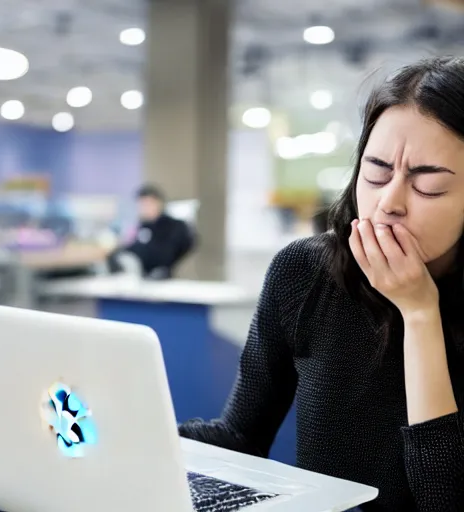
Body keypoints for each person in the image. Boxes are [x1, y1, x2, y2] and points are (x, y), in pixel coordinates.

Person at [179, 56, 464, 511]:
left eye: (427, 186)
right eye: (376, 172)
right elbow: (239, 435)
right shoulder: (305, 272)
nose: (388, 202)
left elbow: (445, 500)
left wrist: (419, 313)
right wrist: (133, 434)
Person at [108, 184, 195, 278]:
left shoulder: (174, 226)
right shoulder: (142, 226)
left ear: (158, 203)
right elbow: (133, 247)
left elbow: (169, 252)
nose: (145, 208)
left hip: (161, 276)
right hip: (140, 277)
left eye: (148, 203)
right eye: (142, 204)